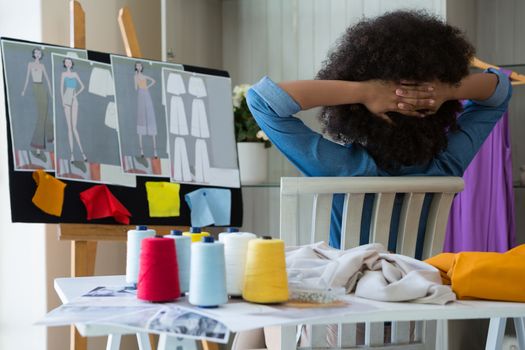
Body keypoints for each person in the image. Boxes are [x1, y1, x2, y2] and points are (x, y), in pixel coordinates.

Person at [233, 10, 511, 349]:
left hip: (335, 326)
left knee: (256, 306)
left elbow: (262, 100)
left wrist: (364, 92)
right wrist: (442, 90)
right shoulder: (447, 164)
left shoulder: (339, 166)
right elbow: (499, 91)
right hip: (411, 322)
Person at [21, 47, 52, 163]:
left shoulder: (42, 66)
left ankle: (50, 138)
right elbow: (27, 78)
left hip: (43, 88)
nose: (38, 54)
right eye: (36, 52)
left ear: (41, 54)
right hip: (36, 88)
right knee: (41, 116)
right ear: (34, 54)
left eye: (39, 53)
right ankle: (38, 148)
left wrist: (51, 91)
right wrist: (24, 90)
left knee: (45, 114)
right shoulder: (30, 64)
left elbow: (48, 79)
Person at [60, 57, 86, 172]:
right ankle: (72, 155)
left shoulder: (75, 74)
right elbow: (61, 89)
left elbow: (83, 86)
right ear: (65, 64)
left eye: (69, 62)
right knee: (69, 128)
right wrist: (62, 101)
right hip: (66, 98)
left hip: (74, 99)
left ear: (72, 63)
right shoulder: (63, 74)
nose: (68, 63)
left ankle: (82, 153)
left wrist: (76, 95)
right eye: (66, 62)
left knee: (74, 128)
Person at [134, 62, 158, 168]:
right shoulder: (135, 76)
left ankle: (155, 151)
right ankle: (142, 151)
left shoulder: (143, 76)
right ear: (136, 67)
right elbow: (135, 88)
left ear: (142, 67)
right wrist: (138, 83)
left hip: (145, 94)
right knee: (141, 119)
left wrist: (146, 86)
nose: (138, 67)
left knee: (150, 116)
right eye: (137, 66)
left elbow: (153, 81)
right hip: (140, 95)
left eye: (140, 65)